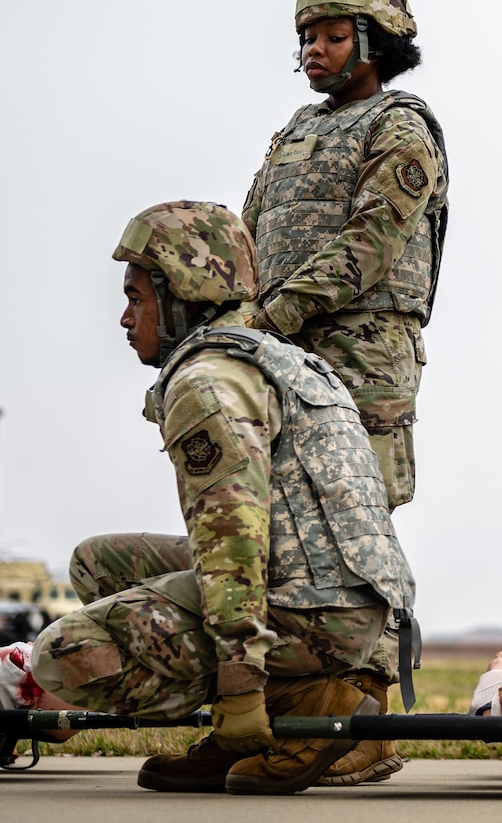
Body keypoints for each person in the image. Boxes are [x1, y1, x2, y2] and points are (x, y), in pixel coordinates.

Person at [30, 202, 416, 796]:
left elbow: (232, 541)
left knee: (63, 653)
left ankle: (307, 703)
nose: (124, 319)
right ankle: (267, 711)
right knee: (95, 562)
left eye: (137, 298)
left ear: (181, 291)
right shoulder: (277, 359)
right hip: (339, 604)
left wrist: (238, 688)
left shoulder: (205, 379)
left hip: (309, 616)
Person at [238, 0, 442, 785]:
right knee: (292, 536)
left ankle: (370, 723)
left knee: (360, 536)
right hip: (282, 355)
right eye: (305, 39)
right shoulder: (293, 133)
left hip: (363, 356)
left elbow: (372, 244)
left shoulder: (401, 128)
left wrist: (269, 315)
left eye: (329, 36)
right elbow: (249, 233)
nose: (313, 52)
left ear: (374, 42)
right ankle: (302, 714)